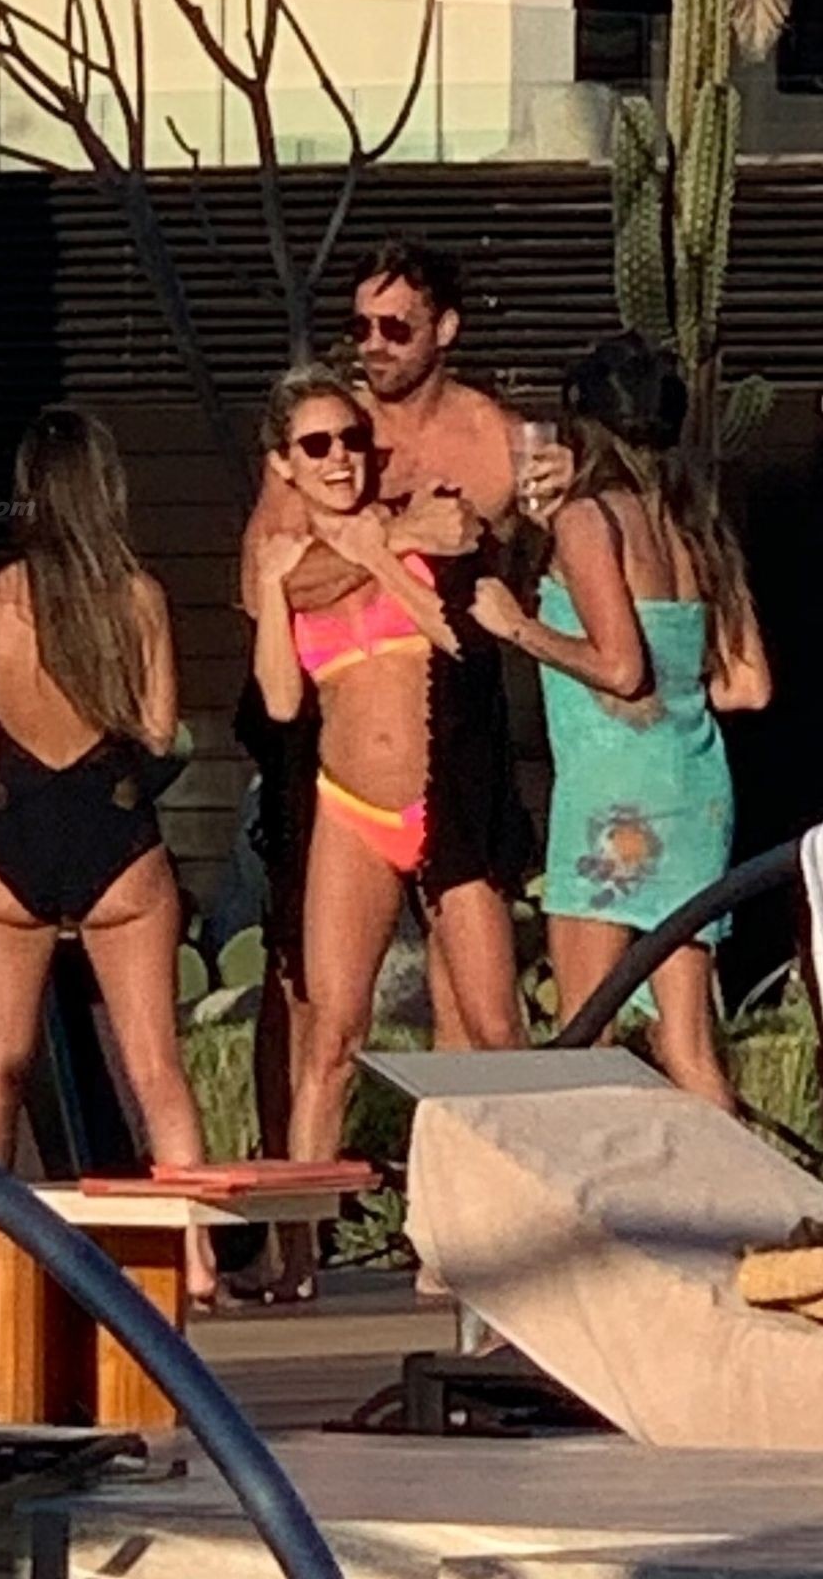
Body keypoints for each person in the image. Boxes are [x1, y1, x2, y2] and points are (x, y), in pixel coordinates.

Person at [239, 238, 569, 1060]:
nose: (373, 345)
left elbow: (527, 580)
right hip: (334, 747)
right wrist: (395, 536)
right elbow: (265, 585)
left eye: (395, 327)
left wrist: (571, 488)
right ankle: (289, 1142)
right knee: (315, 1006)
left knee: (480, 1020)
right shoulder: (329, 433)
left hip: (457, 739)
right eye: (361, 326)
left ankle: (475, 1147)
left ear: (444, 329)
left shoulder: (493, 440)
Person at [0, 406, 215, 1302]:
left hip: (15, 834)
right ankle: (197, 1264)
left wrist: (19, 706)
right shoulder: (136, 598)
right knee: (155, 1067)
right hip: (114, 833)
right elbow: (160, 730)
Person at [470, 333, 772, 1112]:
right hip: (696, 789)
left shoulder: (590, 519)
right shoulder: (694, 525)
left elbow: (620, 667)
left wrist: (520, 627)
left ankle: (604, 1189)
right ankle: (736, 1187)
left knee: (585, 1038)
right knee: (687, 1045)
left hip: (612, 795)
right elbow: (746, 687)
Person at [252, 366, 465, 1185]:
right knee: (331, 1039)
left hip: (440, 801)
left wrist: (385, 546)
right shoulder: (287, 564)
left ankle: (459, 1228)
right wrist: (272, 587)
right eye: (316, 445)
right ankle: (300, 1239)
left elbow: (459, 636)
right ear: (284, 464)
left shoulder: (414, 519)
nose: (339, 458)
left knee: (473, 1031)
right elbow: (280, 700)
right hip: (351, 809)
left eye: (351, 439)